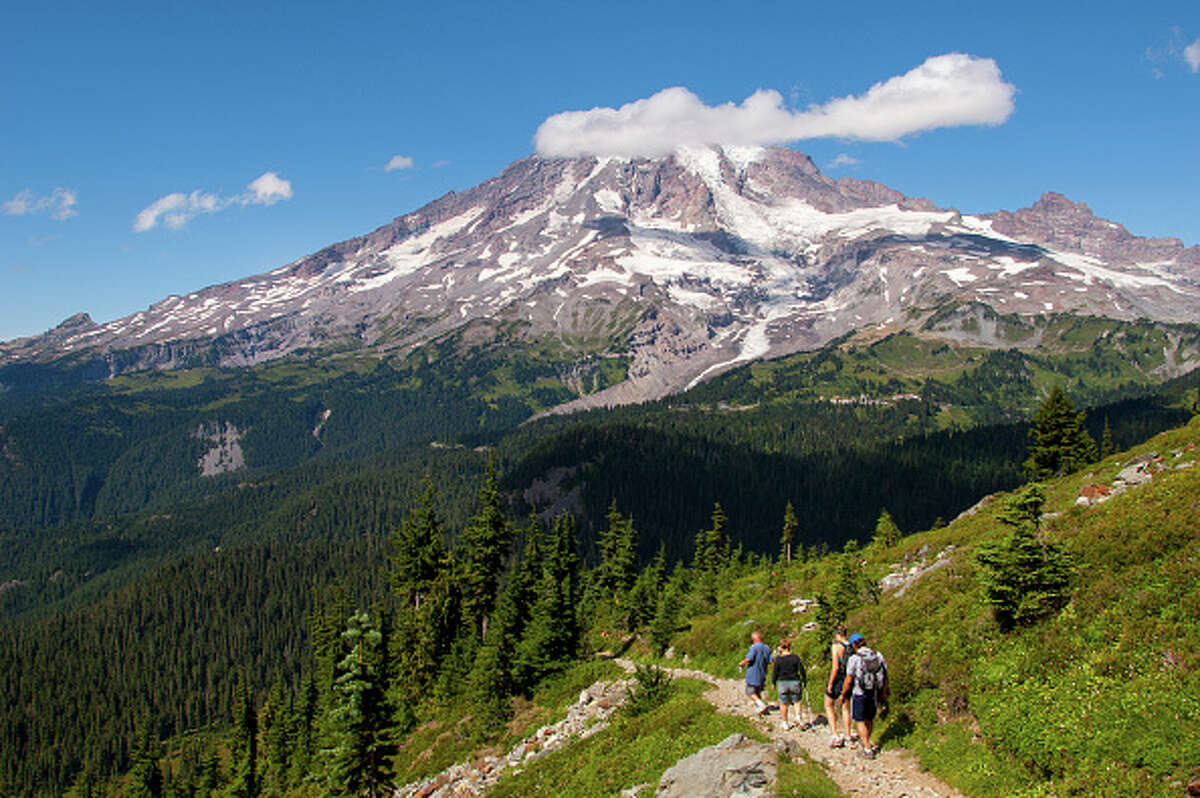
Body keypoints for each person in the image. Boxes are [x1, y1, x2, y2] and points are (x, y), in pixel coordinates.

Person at [840, 632, 888, 759]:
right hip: (874, 692)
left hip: (859, 693)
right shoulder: (878, 655)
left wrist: (843, 694)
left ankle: (867, 748)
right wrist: (883, 693)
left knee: (859, 720)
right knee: (869, 718)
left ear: (854, 646)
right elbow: (885, 675)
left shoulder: (854, 659)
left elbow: (849, 679)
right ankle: (867, 741)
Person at [823, 626, 853, 748]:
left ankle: (835, 734)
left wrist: (830, 683)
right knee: (845, 707)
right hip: (849, 678)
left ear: (838, 635)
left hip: (838, 678)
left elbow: (835, 667)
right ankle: (848, 735)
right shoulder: (852, 646)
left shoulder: (836, 647)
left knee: (828, 705)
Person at [771, 639, 810, 731]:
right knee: (797, 701)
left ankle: (785, 723)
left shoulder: (778, 660)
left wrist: (773, 683)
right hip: (794, 681)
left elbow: (775, 672)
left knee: (784, 703)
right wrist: (804, 679)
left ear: (781, 647)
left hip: (782, 682)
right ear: (789, 647)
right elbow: (801, 670)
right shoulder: (795, 658)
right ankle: (798, 717)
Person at [738, 630, 773, 715]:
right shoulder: (766, 647)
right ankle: (760, 709)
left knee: (749, 691)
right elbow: (771, 661)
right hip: (762, 672)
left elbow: (750, 658)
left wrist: (742, 663)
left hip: (753, 673)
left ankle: (761, 704)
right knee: (758, 691)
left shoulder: (754, 647)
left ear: (754, 639)